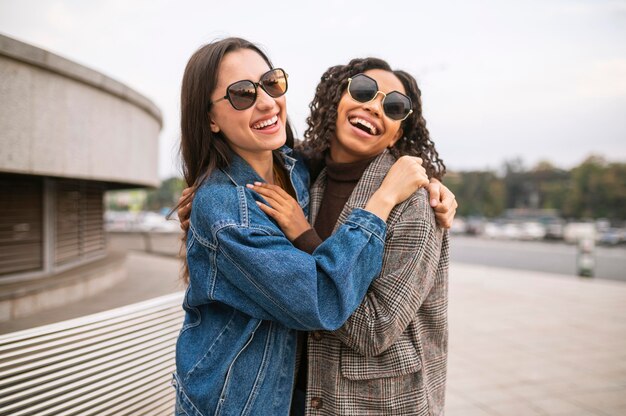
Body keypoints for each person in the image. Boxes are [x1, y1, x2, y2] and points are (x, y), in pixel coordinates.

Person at [178, 54, 455, 415]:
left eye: (394, 106)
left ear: (398, 132)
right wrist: (201, 192)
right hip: (295, 397)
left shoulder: (414, 205)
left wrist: (304, 234)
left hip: (376, 403)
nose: (375, 107)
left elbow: (374, 328)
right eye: (364, 90)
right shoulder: (305, 175)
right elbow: (231, 187)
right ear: (336, 99)